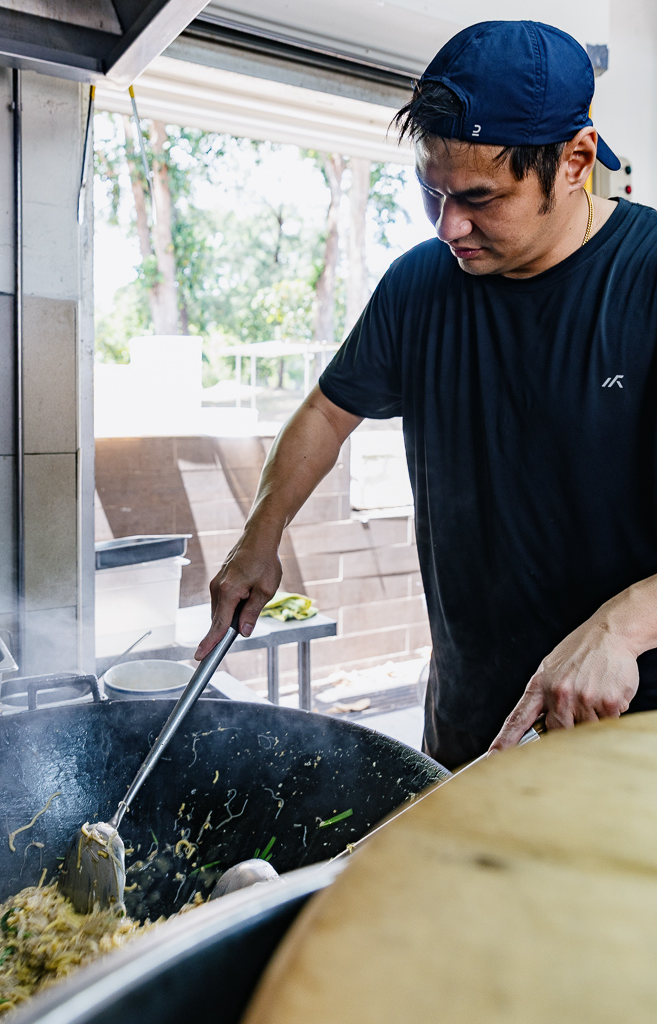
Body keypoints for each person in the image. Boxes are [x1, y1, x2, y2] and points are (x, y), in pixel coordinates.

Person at [194, 20, 657, 770]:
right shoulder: (420, 283)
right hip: (467, 720)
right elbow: (326, 412)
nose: (448, 225)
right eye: (429, 191)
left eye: (480, 197)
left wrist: (625, 625)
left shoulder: (648, 279)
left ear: (575, 161)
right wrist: (259, 535)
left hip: (627, 740)